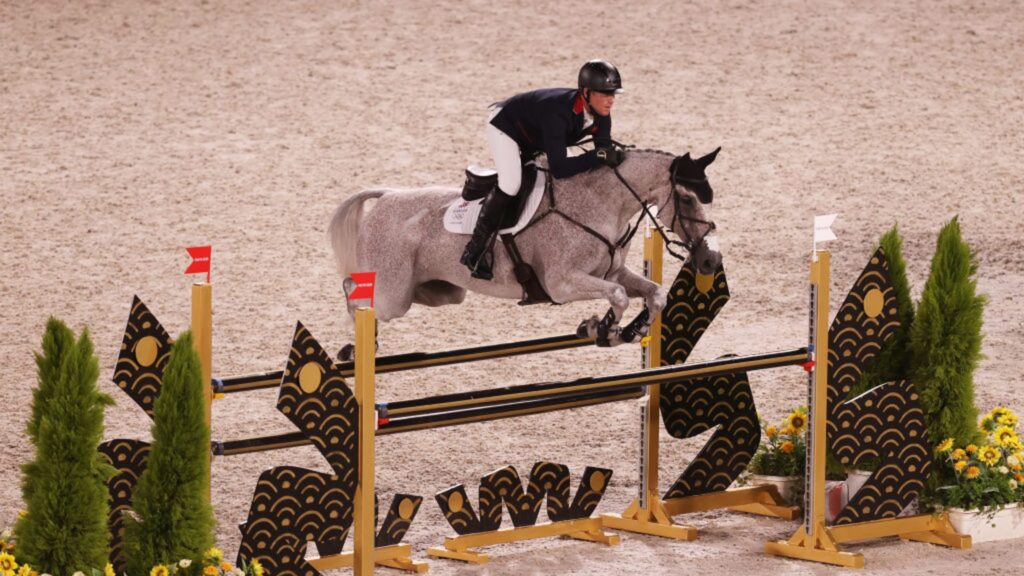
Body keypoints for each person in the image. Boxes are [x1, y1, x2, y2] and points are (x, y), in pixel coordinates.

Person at [460, 60, 627, 280]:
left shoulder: (602, 115)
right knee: (511, 185)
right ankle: (475, 249)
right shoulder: (558, 113)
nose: (611, 100)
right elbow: (559, 168)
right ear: (586, 93)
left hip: (535, 133)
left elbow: (602, 154)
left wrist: (613, 158)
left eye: (613, 93)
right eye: (604, 94)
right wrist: (598, 156)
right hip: (506, 127)